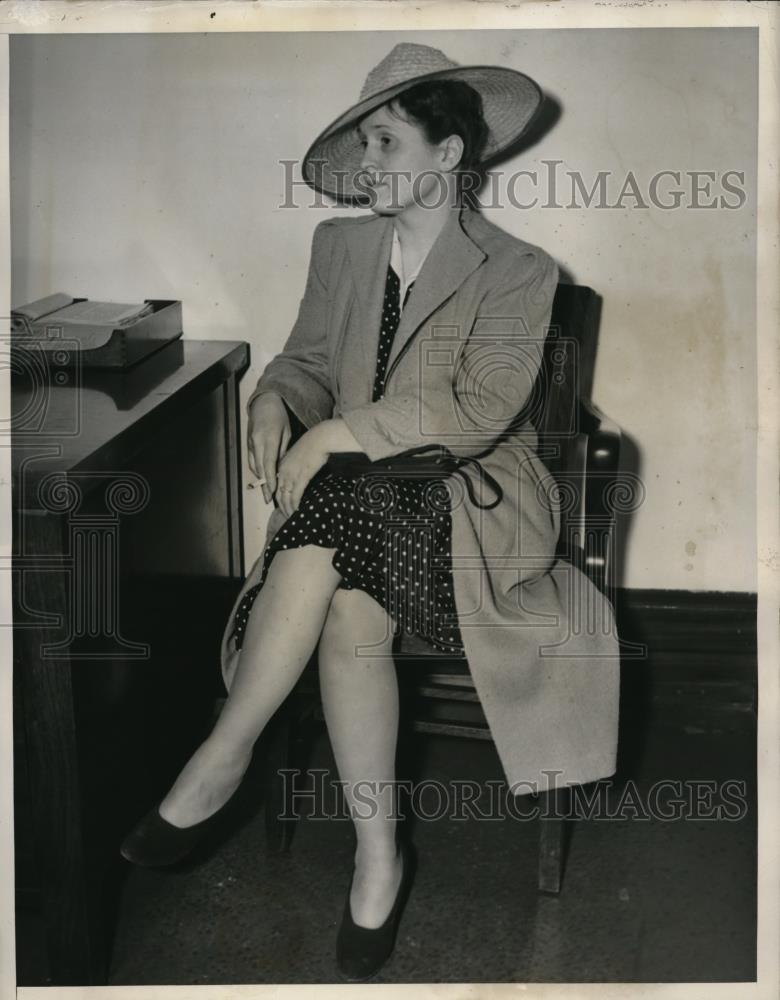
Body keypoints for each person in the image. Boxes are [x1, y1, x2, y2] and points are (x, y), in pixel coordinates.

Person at [120, 42, 621, 982]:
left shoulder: (517, 268)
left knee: (340, 506)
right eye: (362, 144)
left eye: (386, 142)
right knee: (351, 608)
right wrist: (277, 399)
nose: (368, 164)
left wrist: (332, 437)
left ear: (447, 155)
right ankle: (378, 859)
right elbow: (307, 357)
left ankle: (222, 756)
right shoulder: (340, 246)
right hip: (359, 517)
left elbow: (479, 410)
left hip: (471, 504)